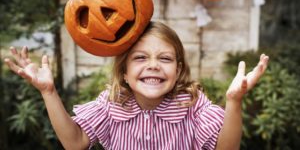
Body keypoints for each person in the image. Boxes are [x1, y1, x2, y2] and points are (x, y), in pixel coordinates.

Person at [4, 21, 269, 150]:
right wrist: (48, 91)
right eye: (141, 58)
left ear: (177, 71)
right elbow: (75, 143)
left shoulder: (191, 105)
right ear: (125, 71)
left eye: (164, 59)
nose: (153, 65)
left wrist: (234, 101)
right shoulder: (112, 103)